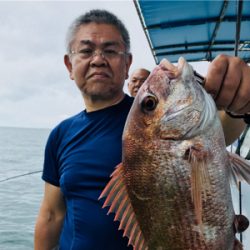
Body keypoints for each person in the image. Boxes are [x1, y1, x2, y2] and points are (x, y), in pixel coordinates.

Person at [34, 9, 250, 250]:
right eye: (85, 51)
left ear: (127, 63)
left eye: (110, 50)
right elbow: (51, 214)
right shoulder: (60, 134)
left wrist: (239, 103)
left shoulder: (148, 125)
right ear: (69, 65)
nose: (97, 59)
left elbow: (227, 127)